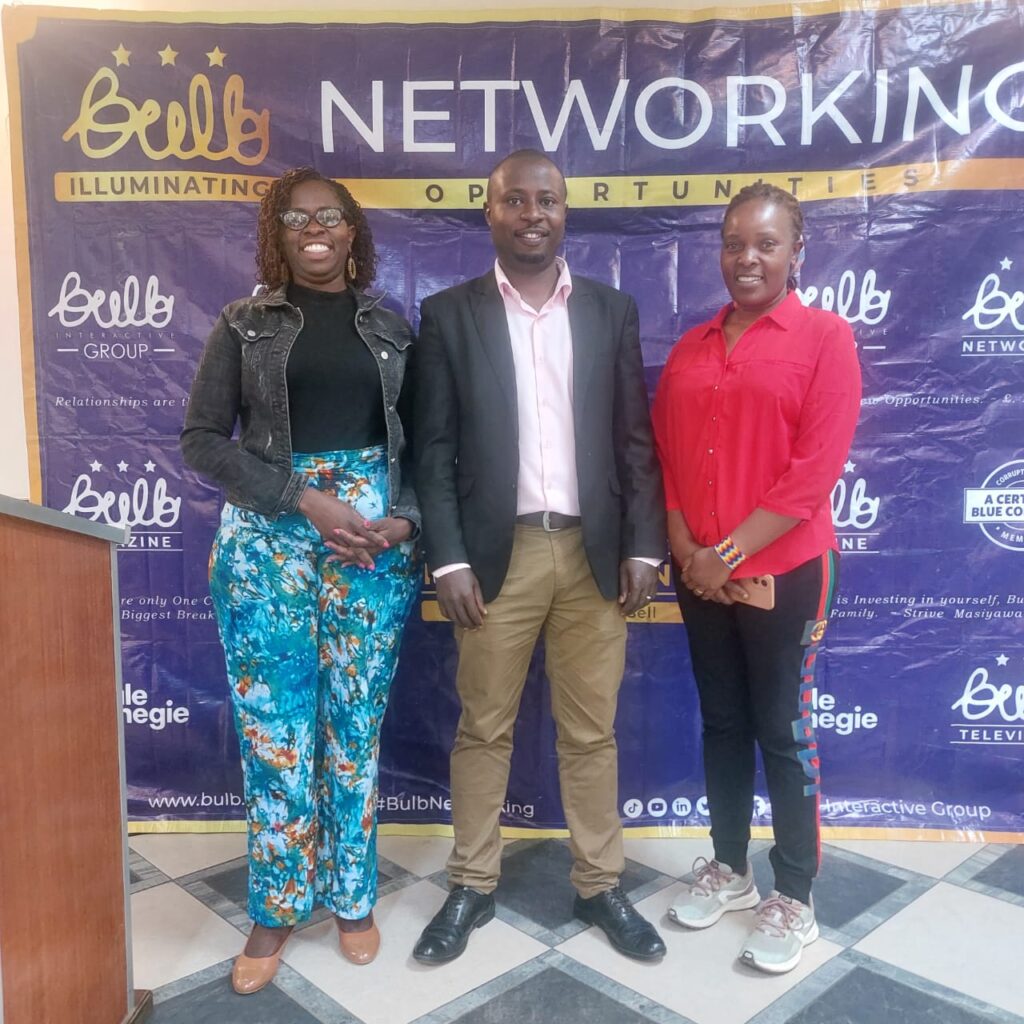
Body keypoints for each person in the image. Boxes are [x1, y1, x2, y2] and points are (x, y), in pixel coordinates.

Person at [412, 149, 667, 965]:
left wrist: (645, 543)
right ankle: (471, 884)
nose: (532, 214)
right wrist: (448, 560)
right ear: (489, 211)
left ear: (565, 212)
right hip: (498, 558)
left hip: (595, 554)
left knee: (591, 734)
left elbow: (634, 440)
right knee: (483, 727)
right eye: (515, 200)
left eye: (546, 200)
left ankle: (599, 883)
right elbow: (432, 450)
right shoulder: (449, 315)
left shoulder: (608, 310)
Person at [180, 167, 420, 994]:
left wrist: (401, 521)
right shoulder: (243, 325)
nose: (314, 229)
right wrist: (305, 499)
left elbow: (424, 446)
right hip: (267, 545)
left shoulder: (391, 328)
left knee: (354, 729)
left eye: (330, 216)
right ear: (275, 234)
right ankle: (278, 906)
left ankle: (351, 896)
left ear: (353, 231)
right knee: (276, 733)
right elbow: (202, 438)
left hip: (369, 550)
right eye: (296, 218)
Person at [652, 183, 861, 974]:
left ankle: (795, 895)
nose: (747, 258)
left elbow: (813, 474)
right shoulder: (693, 346)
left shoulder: (824, 338)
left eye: (766, 244)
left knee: (782, 727)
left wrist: (726, 557)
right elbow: (667, 457)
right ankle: (731, 867)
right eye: (734, 242)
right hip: (700, 572)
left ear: (796, 252)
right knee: (723, 722)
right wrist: (687, 550)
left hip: (786, 572)